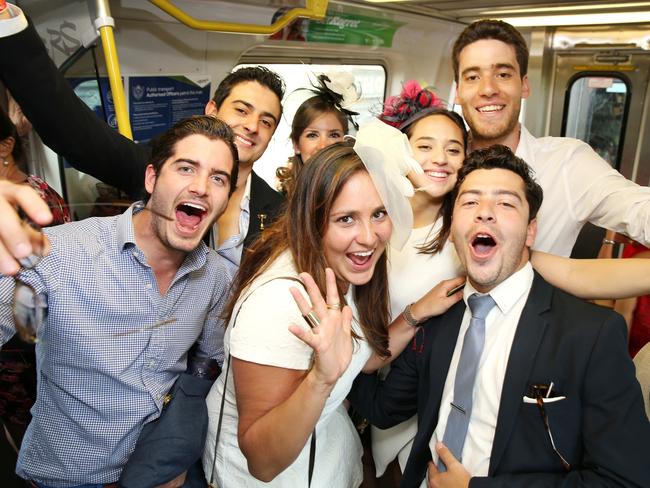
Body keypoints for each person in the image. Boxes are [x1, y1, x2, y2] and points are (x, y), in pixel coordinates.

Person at [349, 145, 650, 487]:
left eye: (506, 203)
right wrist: (344, 347)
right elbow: (383, 408)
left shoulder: (589, 336)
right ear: (451, 229)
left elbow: (625, 480)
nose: (485, 213)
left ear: (530, 231)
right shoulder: (439, 319)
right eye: (470, 202)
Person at [202, 130, 464, 487]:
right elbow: (262, 462)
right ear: (313, 219)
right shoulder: (279, 303)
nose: (369, 237)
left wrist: (417, 311)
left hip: (322, 452)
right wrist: (321, 379)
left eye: (379, 214)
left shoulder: (344, 272)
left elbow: (362, 357)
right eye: (346, 219)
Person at [0, 115, 237, 487]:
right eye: (186, 168)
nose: (202, 187)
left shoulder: (217, 278)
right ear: (152, 179)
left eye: (218, 178)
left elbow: (206, 369)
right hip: (69, 477)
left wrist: (176, 450)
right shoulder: (59, 254)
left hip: (160, 473)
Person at [0, 3, 285, 277]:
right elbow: (73, 131)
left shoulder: (279, 210)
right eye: (241, 110)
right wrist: (9, 26)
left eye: (266, 120)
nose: (251, 126)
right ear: (212, 109)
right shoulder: (160, 170)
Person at [452, 19, 650, 257]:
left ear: (524, 86)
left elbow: (639, 211)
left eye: (503, 74)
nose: (488, 89)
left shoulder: (567, 163)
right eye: (472, 77)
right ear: (458, 92)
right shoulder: (436, 166)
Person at [276, 73, 358, 195]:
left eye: (334, 135)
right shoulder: (278, 201)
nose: (323, 146)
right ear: (296, 145)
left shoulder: (357, 190)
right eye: (312, 135)